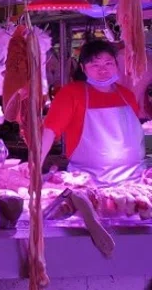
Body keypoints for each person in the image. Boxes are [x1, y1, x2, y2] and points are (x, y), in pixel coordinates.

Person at [41, 39, 144, 184]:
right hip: (88, 182)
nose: (103, 70)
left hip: (135, 180)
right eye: (95, 65)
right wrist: (35, 165)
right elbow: (49, 131)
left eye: (108, 63)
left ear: (116, 65)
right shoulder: (71, 94)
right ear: (83, 68)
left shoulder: (127, 95)